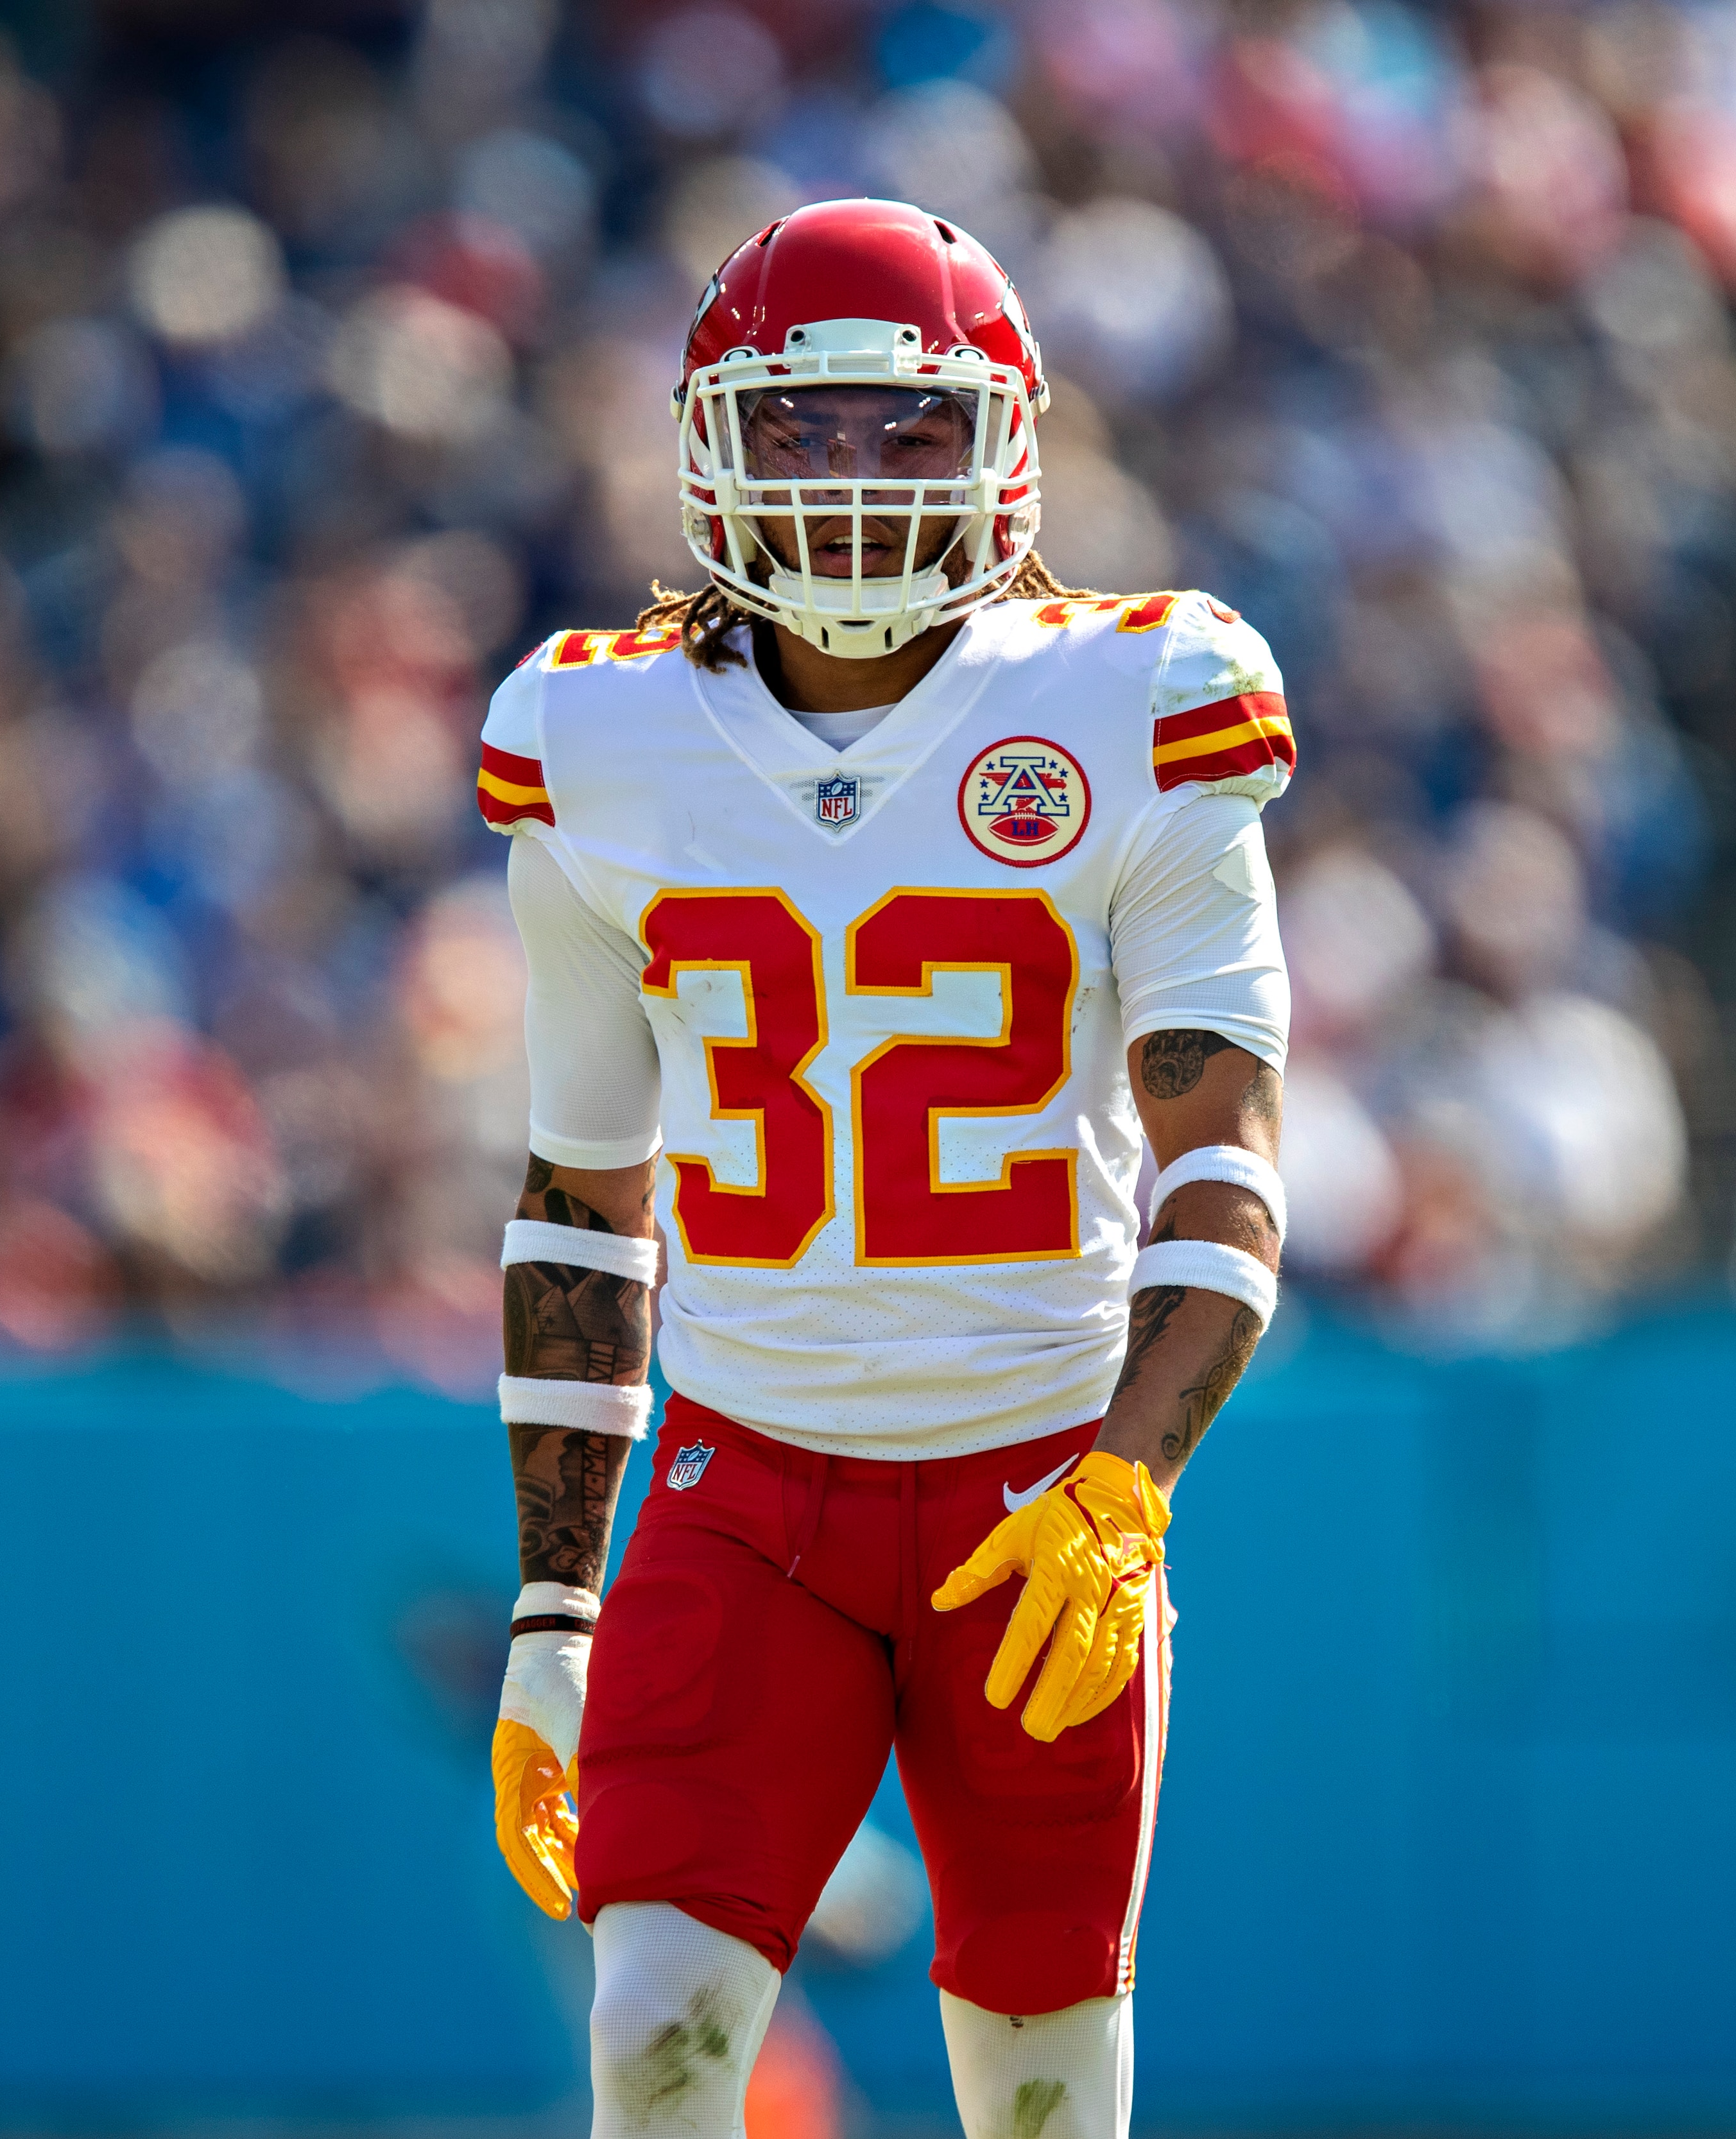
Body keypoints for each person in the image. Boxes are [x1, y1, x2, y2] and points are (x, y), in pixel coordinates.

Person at [480, 199, 1293, 2139]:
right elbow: (587, 1195)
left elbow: (1225, 1158)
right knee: (654, 2037)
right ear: (706, 448)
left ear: (1008, 444)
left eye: (909, 431)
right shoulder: (597, 735)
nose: (854, 484)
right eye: (805, 428)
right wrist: (552, 1617)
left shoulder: (1141, 698)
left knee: (1040, 2084)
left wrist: (1126, 1485)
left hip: (1036, 1490)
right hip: (742, 1483)